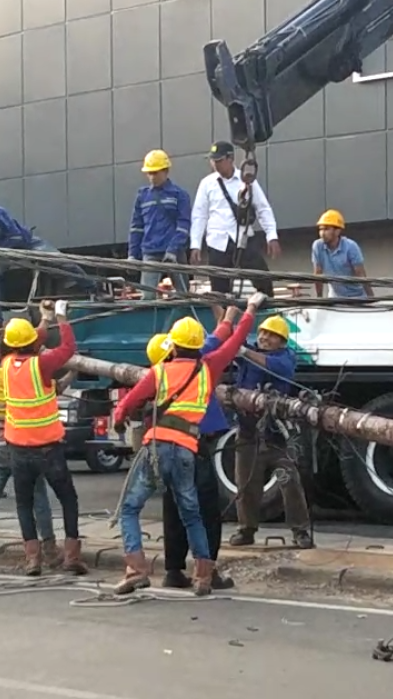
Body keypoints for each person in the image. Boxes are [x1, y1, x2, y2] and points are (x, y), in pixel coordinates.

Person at [111, 293, 265, 596]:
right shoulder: (208, 367)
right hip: (188, 449)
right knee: (193, 512)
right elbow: (232, 342)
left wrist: (119, 420)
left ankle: (136, 570)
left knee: (130, 508)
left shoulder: (159, 371)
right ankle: (204, 577)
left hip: (156, 449)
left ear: (173, 345)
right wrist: (248, 310)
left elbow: (127, 403)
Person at [149, 309, 242, 591]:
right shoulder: (201, 366)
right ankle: (206, 572)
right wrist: (241, 314)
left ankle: (174, 571)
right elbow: (224, 342)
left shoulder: (158, 374)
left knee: (174, 507)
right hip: (194, 445)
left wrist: (226, 319)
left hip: (166, 445)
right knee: (205, 510)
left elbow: (216, 339)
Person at [0, 300, 87, 576]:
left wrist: (44, 319)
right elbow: (68, 349)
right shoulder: (43, 364)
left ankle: (33, 560)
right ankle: (72, 557)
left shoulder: (5, 364)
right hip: (48, 448)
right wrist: (61, 318)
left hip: (18, 448)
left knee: (24, 504)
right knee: (68, 499)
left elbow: (31, 340)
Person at [0, 350, 58, 574]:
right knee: (38, 498)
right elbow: (53, 388)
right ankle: (50, 550)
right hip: (22, 444)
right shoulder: (24, 376)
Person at [228, 314, 314, 549]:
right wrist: (223, 310)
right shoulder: (250, 355)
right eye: (263, 333)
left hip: (276, 438)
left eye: (271, 335)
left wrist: (244, 352)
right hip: (248, 436)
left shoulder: (285, 358)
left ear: (282, 342)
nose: (264, 337)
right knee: (246, 484)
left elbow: (276, 367)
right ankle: (246, 530)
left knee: (288, 481)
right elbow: (229, 333)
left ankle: (300, 531)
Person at [0, 190, 90, 325]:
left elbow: (16, 236)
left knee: (59, 260)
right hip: (1, 255)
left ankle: (94, 289)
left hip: (24, 244)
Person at [190, 141, 280, 315]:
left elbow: (263, 208)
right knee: (219, 290)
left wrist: (272, 236)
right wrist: (195, 244)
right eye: (212, 160)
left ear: (230, 158)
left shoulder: (246, 180)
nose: (215, 164)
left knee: (262, 279)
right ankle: (223, 326)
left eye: (219, 160)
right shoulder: (207, 183)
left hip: (243, 238)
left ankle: (270, 316)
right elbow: (199, 215)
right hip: (218, 242)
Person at [130, 149, 192, 297]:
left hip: (174, 253)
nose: (152, 177)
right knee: (148, 297)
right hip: (151, 251)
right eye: (149, 173)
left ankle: (182, 319)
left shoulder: (179, 195)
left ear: (166, 171)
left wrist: (173, 249)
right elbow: (136, 227)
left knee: (184, 296)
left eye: (155, 173)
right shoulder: (142, 196)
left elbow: (184, 225)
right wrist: (132, 255)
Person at [311, 210, 373, 299]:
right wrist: (319, 299)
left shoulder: (351, 247)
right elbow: (317, 275)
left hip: (357, 297)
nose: (322, 233)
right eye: (320, 229)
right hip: (335, 297)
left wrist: (371, 298)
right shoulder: (318, 246)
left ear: (337, 231)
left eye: (326, 229)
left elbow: (361, 275)